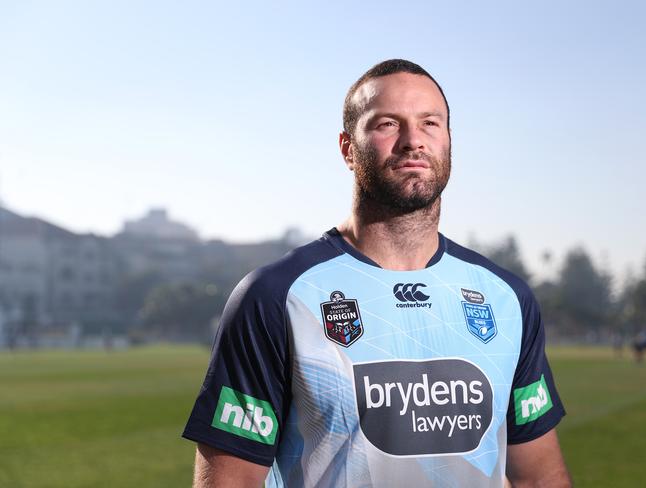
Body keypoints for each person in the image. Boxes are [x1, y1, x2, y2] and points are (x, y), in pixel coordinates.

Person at [183, 59, 571, 487]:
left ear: (448, 142)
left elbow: (537, 478)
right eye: (388, 123)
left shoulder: (505, 297)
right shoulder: (277, 295)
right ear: (348, 149)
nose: (412, 141)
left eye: (430, 123)